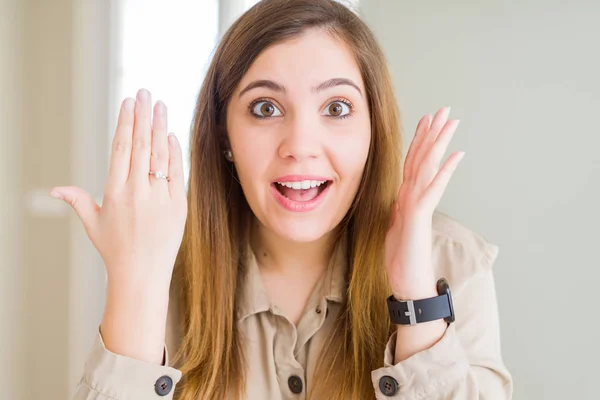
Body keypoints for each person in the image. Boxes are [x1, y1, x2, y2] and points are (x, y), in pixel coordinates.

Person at [51, 0, 513, 398]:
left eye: (336, 108)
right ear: (224, 135)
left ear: (373, 130)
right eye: (265, 108)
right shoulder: (163, 264)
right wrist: (137, 282)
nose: (300, 144)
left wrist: (415, 301)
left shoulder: (453, 263)